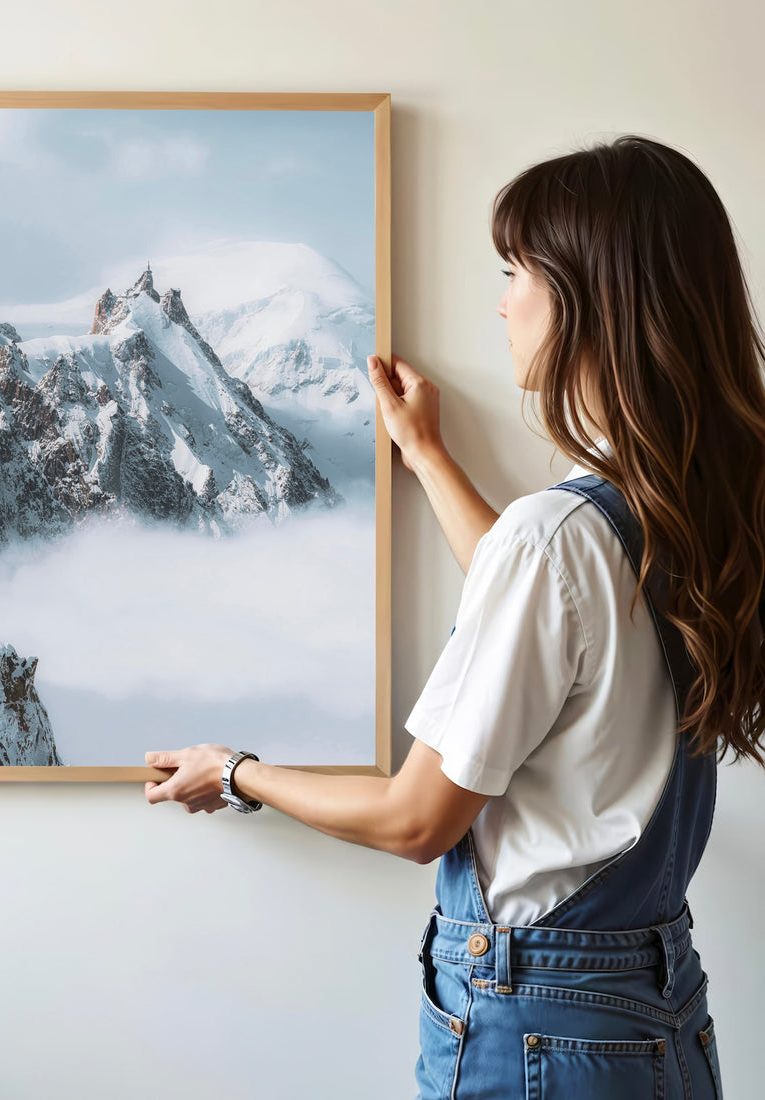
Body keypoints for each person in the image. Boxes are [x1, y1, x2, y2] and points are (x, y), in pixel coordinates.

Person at [142, 134, 765, 1098]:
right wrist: (429, 457)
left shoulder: (559, 536)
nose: (502, 299)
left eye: (517, 271)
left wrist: (235, 772)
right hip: (654, 1015)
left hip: (539, 1029)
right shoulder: (683, 509)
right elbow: (556, 626)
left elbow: (415, 819)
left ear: (590, 300)